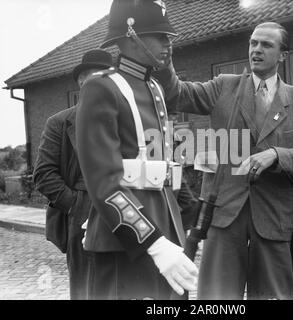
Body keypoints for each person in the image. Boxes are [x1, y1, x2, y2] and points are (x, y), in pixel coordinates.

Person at [155, 21, 293, 300]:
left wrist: (276, 155)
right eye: (253, 43)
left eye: (266, 45)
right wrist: (164, 62)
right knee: (217, 299)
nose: (256, 49)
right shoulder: (224, 86)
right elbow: (178, 94)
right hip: (223, 215)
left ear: (283, 55)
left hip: (273, 218)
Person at [75, 0, 198, 300]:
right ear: (131, 35)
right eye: (159, 36)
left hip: (165, 230)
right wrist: (153, 241)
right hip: (124, 241)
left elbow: (159, 165)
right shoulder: (101, 88)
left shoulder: (154, 87)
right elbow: (104, 183)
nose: (168, 44)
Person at [33, 49, 114, 300]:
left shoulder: (124, 121)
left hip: (126, 210)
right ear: (82, 82)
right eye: (97, 78)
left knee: (123, 285)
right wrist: (77, 206)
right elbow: (44, 174)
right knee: (86, 289)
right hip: (83, 212)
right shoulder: (59, 122)